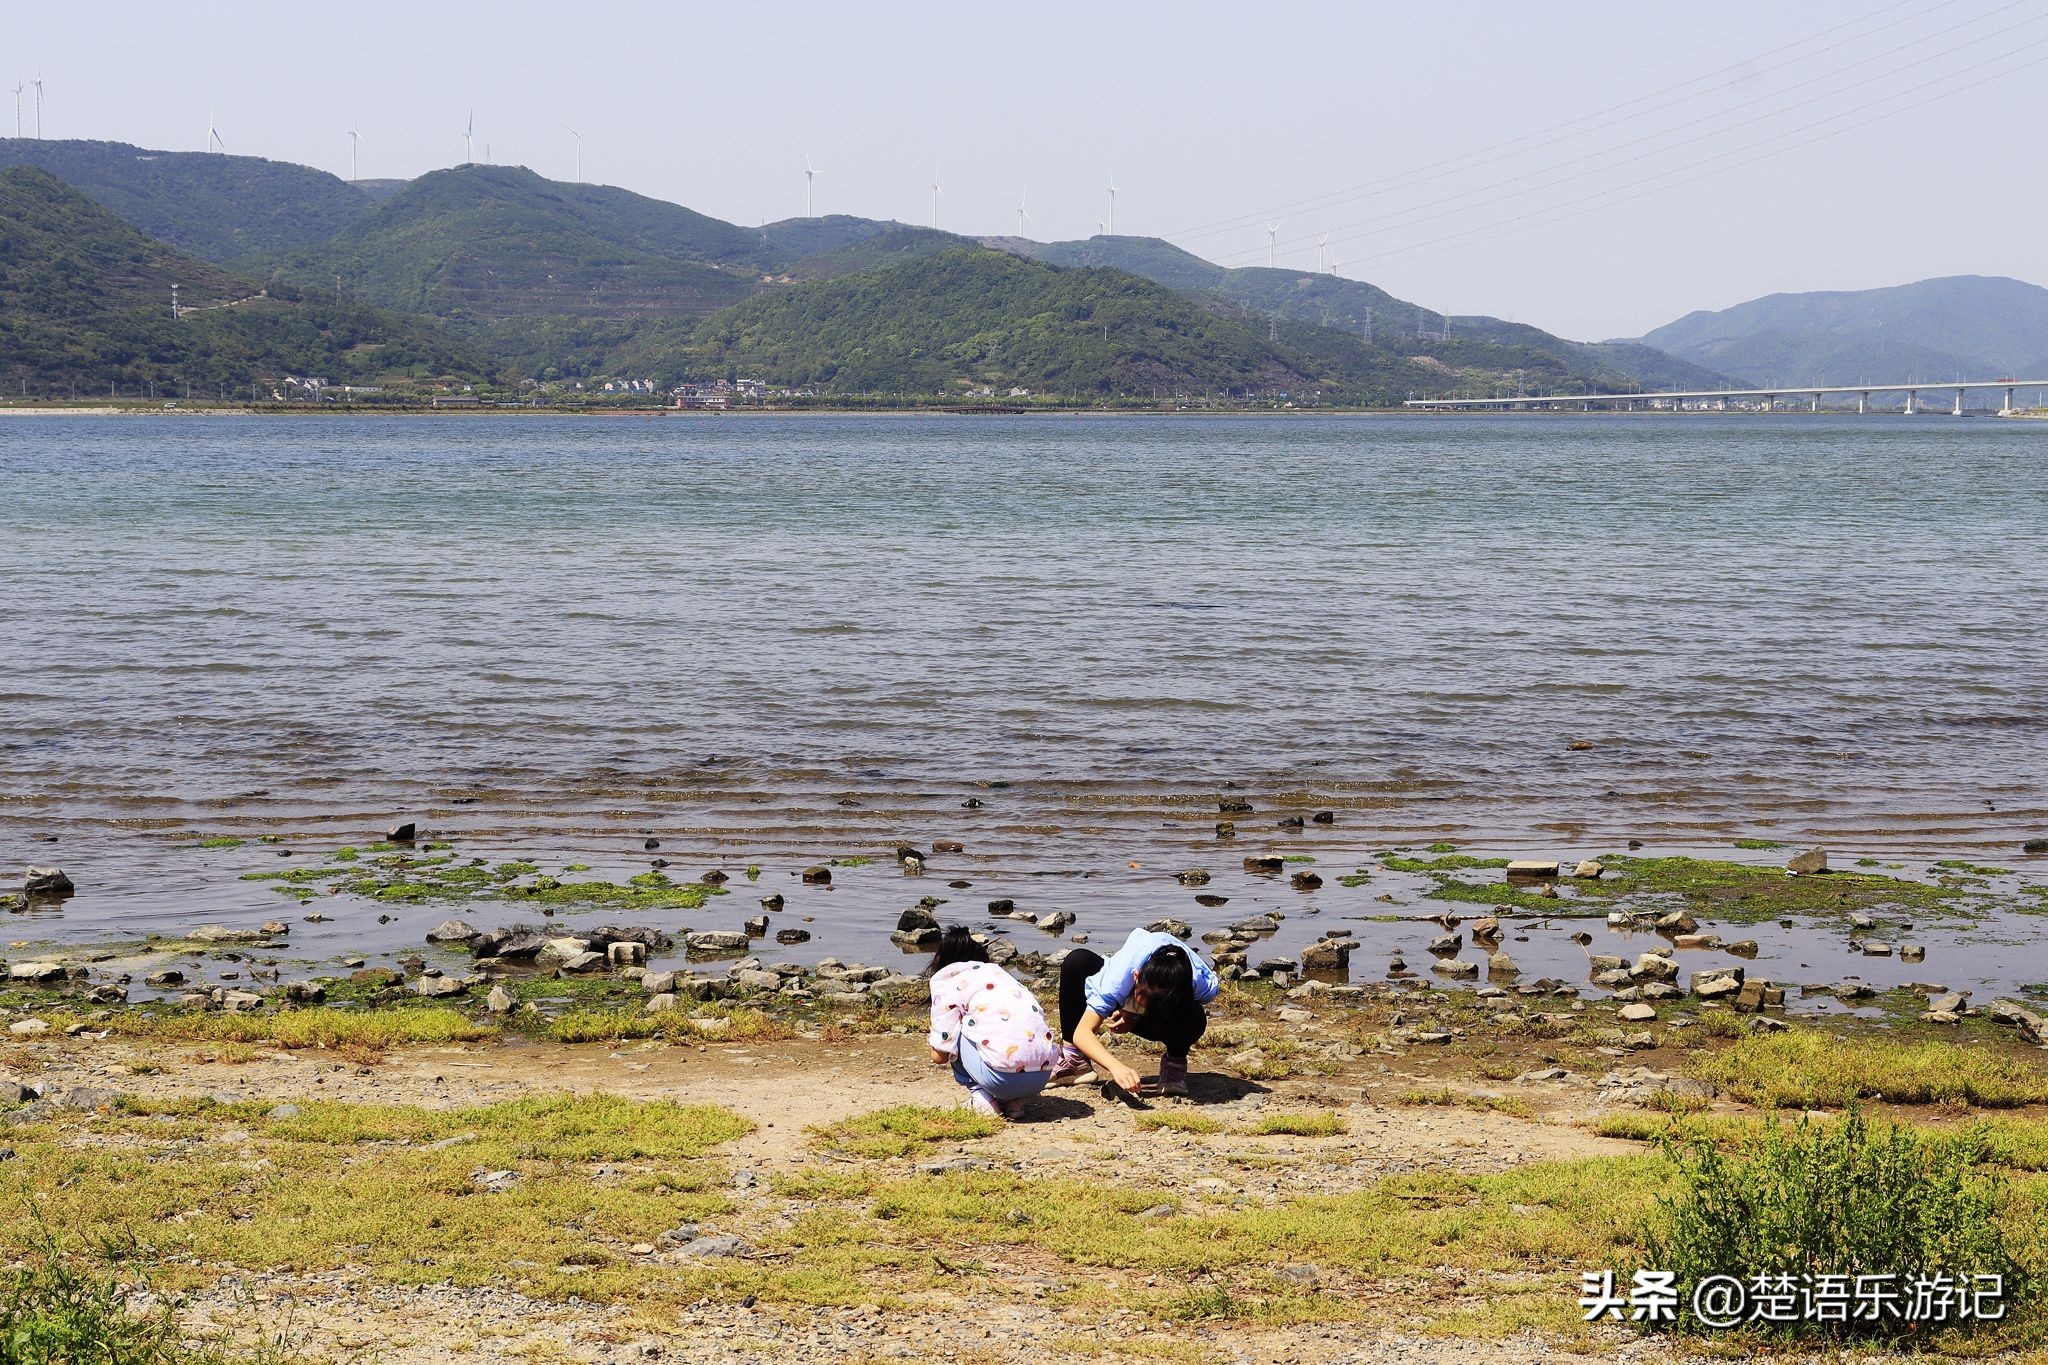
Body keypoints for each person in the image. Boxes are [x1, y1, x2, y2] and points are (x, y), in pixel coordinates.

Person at [1052, 926, 1218, 1097]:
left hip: (1170, 1003)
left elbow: (1189, 1014)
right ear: (1136, 977)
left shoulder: (1201, 984)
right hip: (1129, 983)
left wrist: (1135, 1014)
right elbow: (1082, 1033)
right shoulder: (1117, 979)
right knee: (1077, 961)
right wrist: (1115, 1066)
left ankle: (1175, 1063)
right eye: (1140, 1001)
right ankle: (1074, 1062)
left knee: (1196, 1017)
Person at [925, 927, 1060, 1118]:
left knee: (957, 1030)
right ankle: (1013, 1102)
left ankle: (982, 1099)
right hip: (1041, 1077)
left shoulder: (947, 980)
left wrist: (935, 1040)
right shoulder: (1001, 976)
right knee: (998, 1030)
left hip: (1002, 1079)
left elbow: (939, 1057)